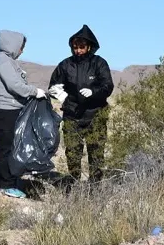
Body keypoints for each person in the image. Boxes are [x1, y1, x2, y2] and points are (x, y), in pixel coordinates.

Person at [47, 25, 114, 187]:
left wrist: (94, 92)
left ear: (89, 46)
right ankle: (73, 184)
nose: (78, 51)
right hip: (72, 115)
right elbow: (53, 86)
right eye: (75, 47)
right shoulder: (65, 65)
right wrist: (61, 95)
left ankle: (96, 186)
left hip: (95, 115)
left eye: (82, 47)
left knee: (96, 152)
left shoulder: (99, 63)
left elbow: (108, 86)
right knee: (73, 152)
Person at [0, 30, 48, 199]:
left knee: (12, 146)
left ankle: (10, 179)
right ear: (14, 45)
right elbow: (15, 85)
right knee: (6, 147)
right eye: (21, 47)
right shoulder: (3, 61)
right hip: (4, 109)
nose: (22, 50)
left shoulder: (9, 61)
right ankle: (4, 184)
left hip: (11, 109)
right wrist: (33, 91)